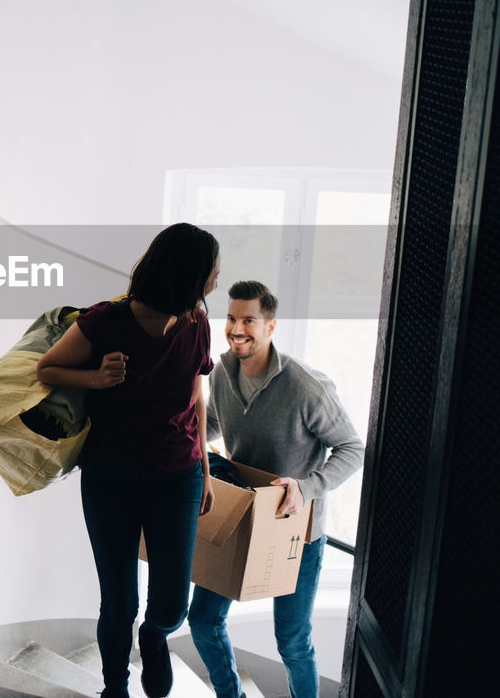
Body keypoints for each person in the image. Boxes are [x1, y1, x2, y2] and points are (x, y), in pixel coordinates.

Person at [37, 223, 221, 698]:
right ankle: (114, 687)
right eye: (211, 273)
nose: (216, 282)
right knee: (119, 604)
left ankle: (155, 639)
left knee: (171, 606)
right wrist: (97, 379)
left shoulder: (197, 324)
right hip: (110, 477)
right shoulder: (106, 320)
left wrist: (203, 470)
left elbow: (194, 395)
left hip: (177, 478)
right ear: (187, 275)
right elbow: (48, 367)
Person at [189, 280, 364, 698]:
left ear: (270, 326)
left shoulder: (306, 387)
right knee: (202, 620)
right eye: (232, 318)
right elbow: (214, 424)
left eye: (249, 320)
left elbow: (353, 448)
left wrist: (308, 487)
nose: (237, 328)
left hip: (296, 531)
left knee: (292, 641)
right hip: (241, 518)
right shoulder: (223, 370)